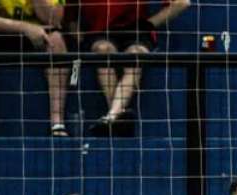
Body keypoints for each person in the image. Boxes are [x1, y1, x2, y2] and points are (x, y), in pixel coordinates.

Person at [80, 0, 192, 136]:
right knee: (103, 49)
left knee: (136, 53)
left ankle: (111, 116)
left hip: (136, 31)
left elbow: (182, 3)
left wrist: (149, 24)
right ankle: (116, 116)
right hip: (100, 32)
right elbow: (70, 15)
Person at [0, 0, 70, 136]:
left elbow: (54, 19)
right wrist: (24, 27)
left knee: (56, 40)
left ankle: (57, 122)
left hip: (39, 35)